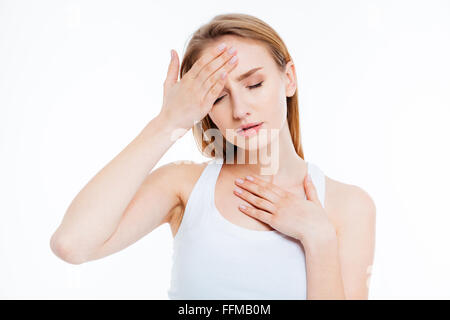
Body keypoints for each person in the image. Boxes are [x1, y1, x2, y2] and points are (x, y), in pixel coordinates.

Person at [50, 13, 376, 300]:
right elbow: (72, 244)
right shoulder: (183, 186)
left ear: (288, 78)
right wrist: (168, 122)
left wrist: (318, 238)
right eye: (218, 97)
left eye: (254, 84)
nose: (240, 109)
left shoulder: (348, 206)